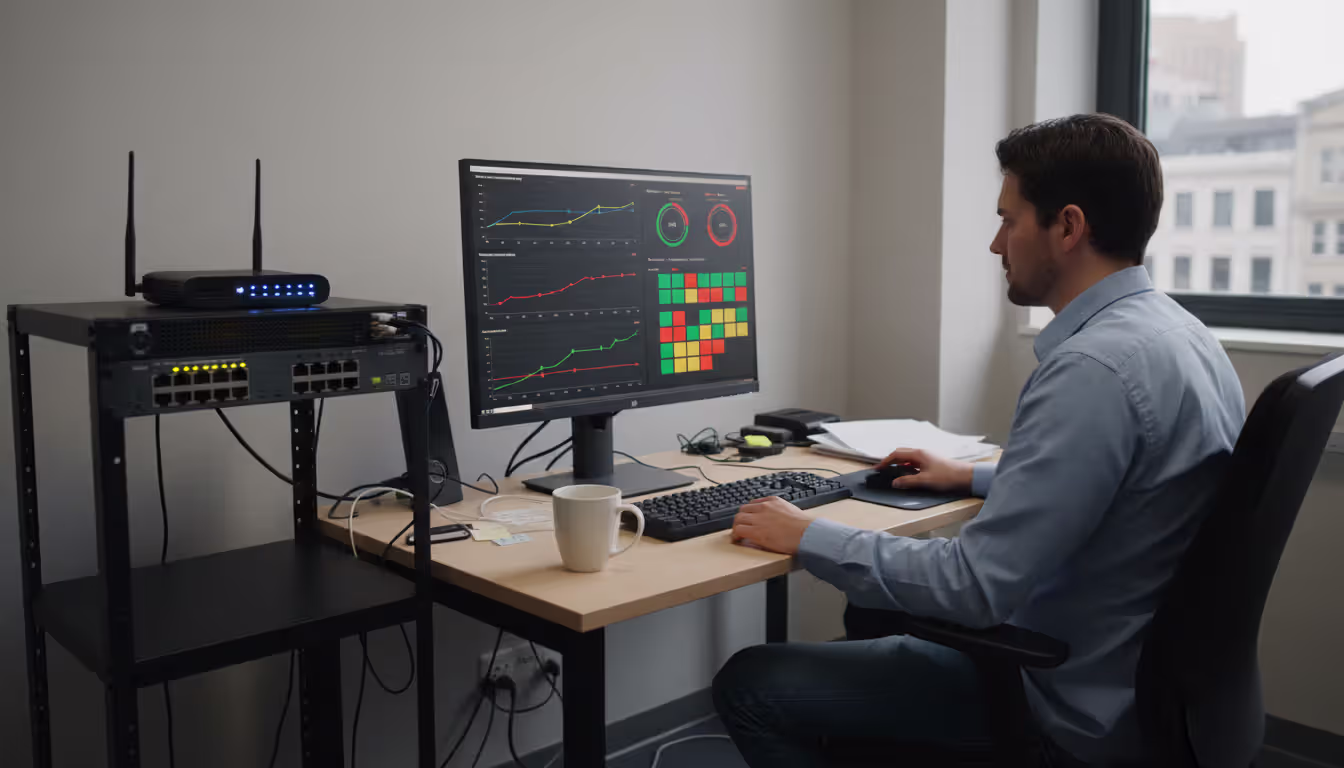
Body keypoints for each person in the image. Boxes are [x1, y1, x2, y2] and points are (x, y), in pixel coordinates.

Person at [713, 113, 1245, 766]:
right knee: (872, 614)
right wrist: (974, 478)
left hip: (1064, 698)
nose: (997, 244)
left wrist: (807, 535)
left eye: (1009, 219)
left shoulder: (1092, 369)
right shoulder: (1181, 335)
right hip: (1149, 689)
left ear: (1069, 227)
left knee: (751, 683)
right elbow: (1143, 482)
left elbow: (972, 588)